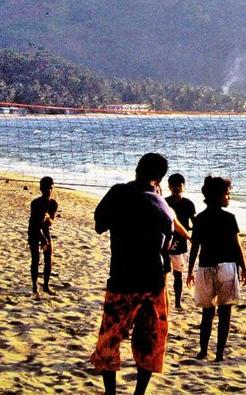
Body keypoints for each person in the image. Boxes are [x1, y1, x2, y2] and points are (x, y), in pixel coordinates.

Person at [89, 152, 175, 395]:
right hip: (152, 282)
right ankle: (139, 393)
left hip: (122, 279)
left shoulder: (118, 193)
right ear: (158, 179)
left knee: (109, 340)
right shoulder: (162, 205)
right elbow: (167, 243)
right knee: (150, 342)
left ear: (137, 168)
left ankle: (110, 393)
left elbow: (99, 225)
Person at [186, 175, 246, 362]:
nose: (229, 197)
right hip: (227, 267)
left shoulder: (200, 219)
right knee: (225, 313)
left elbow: (195, 247)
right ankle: (219, 354)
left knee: (207, 313)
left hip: (205, 267)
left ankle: (203, 351)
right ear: (220, 196)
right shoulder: (229, 218)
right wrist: (244, 268)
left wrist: (190, 271)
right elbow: (236, 246)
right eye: (227, 194)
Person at [165, 173, 196, 310]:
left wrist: (194, 235)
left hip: (181, 243)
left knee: (178, 274)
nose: (177, 188)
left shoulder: (188, 204)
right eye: (174, 186)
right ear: (169, 187)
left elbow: (194, 222)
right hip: (166, 242)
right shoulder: (164, 202)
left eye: (179, 185)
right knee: (163, 274)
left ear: (183, 186)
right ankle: (164, 300)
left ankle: (177, 302)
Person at [28, 176, 59, 297]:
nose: (49, 191)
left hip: (45, 229)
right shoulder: (35, 203)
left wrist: (47, 218)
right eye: (47, 189)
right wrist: (43, 240)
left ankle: (46, 286)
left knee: (49, 258)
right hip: (34, 230)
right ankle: (35, 286)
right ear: (41, 189)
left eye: (51, 188)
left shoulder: (53, 203)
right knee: (35, 259)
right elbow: (35, 225)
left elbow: (51, 222)